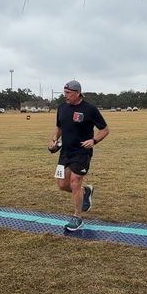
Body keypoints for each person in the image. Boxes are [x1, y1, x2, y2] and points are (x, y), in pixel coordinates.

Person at [50, 80, 109, 232]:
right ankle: (85, 192)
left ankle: (77, 217)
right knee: (62, 185)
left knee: (75, 182)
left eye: (68, 93)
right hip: (65, 152)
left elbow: (104, 129)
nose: (66, 96)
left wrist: (94, 140)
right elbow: (59, 126)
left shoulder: (90, 109)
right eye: (64, 93)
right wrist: (54, 140)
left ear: (77, 93)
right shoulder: (62, 107)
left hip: (82, 152)